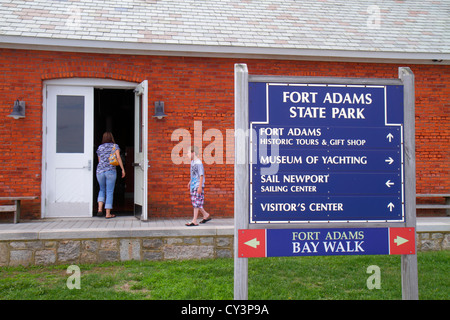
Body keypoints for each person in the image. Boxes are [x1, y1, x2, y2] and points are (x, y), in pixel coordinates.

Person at [96, 132, 125, 219]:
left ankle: (99, 210)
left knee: (101, 190)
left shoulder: (100, 147)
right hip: (110, 171)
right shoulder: (114, 146)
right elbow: (118, 157)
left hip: (100, 171)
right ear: (111, 138)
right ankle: (108, 214)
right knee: (109, 191)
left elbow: (99, 160)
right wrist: (122, 169)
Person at [186, 146, 211, 226]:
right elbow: (194, 174)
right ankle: (206, 215)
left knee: (196, 203)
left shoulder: (198, 163)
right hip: (193, 184)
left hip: (197, 185)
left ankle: (194, 221)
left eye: (188, 152)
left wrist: (200, 187)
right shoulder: (192, 162)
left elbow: (201, 175)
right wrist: (190, 181)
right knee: (197, 202)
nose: (187, 154)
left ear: (193, 153)